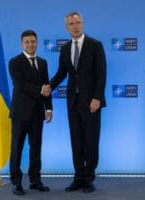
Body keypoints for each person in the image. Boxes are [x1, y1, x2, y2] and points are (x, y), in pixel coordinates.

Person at [43, 11, 106, 193]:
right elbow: (62, 73)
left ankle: (89, 179)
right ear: (66, 27)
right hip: (73, 102)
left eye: (77, 22)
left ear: (83, 24)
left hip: (91, 103)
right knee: (76, 141)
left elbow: (101, 74)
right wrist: (49, 87)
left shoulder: (95, 45)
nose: (75, 26)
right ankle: (78, 178)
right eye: (71, 23)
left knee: (91, 141)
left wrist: (98, 98)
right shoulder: (65, 49)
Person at [9, 30, 52, 195]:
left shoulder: (43, 62)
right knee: (17, 149)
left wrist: (48, 108)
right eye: (27, 42)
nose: (30, 44)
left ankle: (35, 180)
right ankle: (16, 182)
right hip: (20, 114)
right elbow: (20, 85)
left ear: (37, 43)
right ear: (22, 44)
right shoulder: (14, 62)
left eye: (33, 41)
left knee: (36, 149)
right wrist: (40, 90)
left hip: (37, 114)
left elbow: (47, 86)